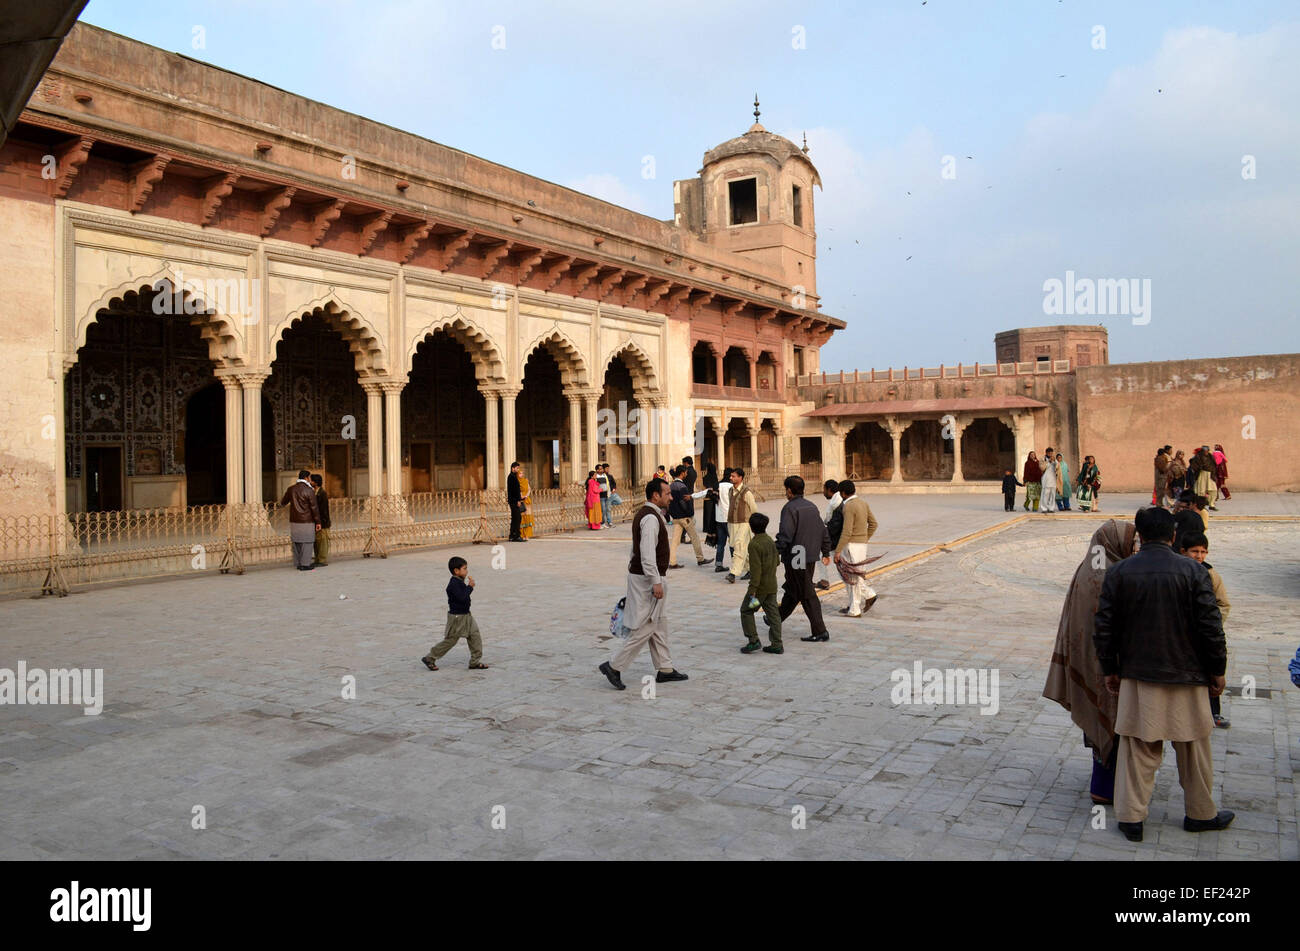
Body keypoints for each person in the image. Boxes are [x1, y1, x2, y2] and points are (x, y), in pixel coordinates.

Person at [1093, 506, 1231, 842]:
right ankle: (1200, 814)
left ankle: (1131, 819)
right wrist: (1218, 671)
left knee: (1138, 750)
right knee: (1194, 749)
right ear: (1173, 536)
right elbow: (1211, 627)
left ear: (1140, 535)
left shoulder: (1120, 572)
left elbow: (1105, 627)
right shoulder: (1194, 571)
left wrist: (1110, 669)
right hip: (1188, 675)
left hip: (1139, 675)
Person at [1043, 519, 1137, 806]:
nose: (1134, 548)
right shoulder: (1116, 577)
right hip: (1111, 666)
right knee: (1119, 726)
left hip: (1087, 660)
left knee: (1098, 724)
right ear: (1115, 544)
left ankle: (1103, 785)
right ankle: (1111, 789)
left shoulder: (1087, 570)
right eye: (1131, 543)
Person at [599, 478, 688, 689]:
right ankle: (614, 665)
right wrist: (655, 581)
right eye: (667, 493)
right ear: (655, 495)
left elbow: (635, 549)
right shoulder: (649, 518)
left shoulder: (650, 515)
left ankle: (665, 668)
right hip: (648, 580)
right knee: (647, 625)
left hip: (643, 576)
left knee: (659, 623)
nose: (671, 496)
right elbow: (646, 553)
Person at [1180, 530, 1231, 728]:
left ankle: (1213, 712)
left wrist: (1212, 623)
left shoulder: (1211, 575)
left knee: (1211, 672)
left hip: (1206, 635)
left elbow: (1223, 604)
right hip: (1183, 635)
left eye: (1203, 552)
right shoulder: (1178, 572)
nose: (1199, 556)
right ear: (1183, 551)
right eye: (1195, 551)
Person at [775, 475, 832, 642]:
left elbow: (786, 534)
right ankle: (775, 619)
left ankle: (820, 631)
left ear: (790, 490)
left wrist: (774, 550)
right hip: (809, 555)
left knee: (806, 593)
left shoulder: (790, 508)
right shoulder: (811, 506)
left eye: (786, 489)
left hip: (796, 556)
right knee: (794, 590)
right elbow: (823, 531)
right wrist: (825, 551)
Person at [421, 556, 489, 671]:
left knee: (475, 636)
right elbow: (462, 597)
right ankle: (430, 657)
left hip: (467, 615)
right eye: (464, 569)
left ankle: (475, 662)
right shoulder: (453, 584)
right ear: (456, 571)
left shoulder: (459, 581)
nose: (467, 571)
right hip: (457, 617)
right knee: (451, 640)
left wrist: (467, 587)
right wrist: (470, 587)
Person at [833, 479, 879, 617]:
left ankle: (855, 609)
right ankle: (861, 601)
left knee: (851, 577)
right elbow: (873, 524)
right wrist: (864, 538)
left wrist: (838, 551)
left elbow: (846, 531)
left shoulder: (848, 506)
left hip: (851, 545)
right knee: (857, 576)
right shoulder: (863, 503)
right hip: (861, 545)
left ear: (843, 493)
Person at [739, 512, 783, 655]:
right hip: (772, 586)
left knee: (746, 610)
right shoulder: (770, 540)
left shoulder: (754, 544)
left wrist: (752, 590)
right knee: (773, 615)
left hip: (759, 590)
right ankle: (777, 644)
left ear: (751, 528)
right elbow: (777, 561)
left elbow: (755, 572)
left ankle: (753, 640)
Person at [667, 466, 709, 567]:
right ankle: (700, 558)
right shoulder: (682, 486)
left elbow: (669, 502)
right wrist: (689, 513)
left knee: (675, 541)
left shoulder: (671, 485)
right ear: (682, 473)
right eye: (685, 472)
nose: (686, 474)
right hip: (685, 517)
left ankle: (672, 562)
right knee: (694, 537)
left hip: (676, 517)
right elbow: (684, 501)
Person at [280, 469, 321, 571]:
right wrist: (318, 522)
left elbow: (283, 502)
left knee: (297, 542)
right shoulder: (309, 490)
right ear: (307, 478)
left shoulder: (291, 489)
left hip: (294, 520)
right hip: (307, 520)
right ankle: (305, 564)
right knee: (307, 542)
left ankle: (298, 563)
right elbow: (314, 508)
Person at [725, 468, 757, 584]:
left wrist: (754, 526)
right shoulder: (730, 491)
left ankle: (733, 573)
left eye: (733, 476)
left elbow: (754, 509)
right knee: (739, 547)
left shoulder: (746, 492)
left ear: (740, 478)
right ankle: (751, 569)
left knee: (738, 546)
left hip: (744, 523)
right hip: (732, 523)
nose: (731, 478)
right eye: (731, 476)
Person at [713, 466, 733, 574]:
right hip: (729, 518)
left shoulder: (718, 486)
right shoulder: (732, 486)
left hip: (719, 519)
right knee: (732, 542)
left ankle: (718, 564)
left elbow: (705, 493)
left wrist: (692, 496)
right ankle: (735, 564)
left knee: (721, 543)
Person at [310, 473, 331, 567]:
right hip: (316, 521)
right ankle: (317, 559)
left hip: (323, 522)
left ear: (316, 482)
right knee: (317, 542)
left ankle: (322, 560)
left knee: (322, 542)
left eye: (312, 481)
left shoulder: (322, 493)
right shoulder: (314, 492)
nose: (310, 482)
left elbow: (323, 510)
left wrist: (322, 522)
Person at [506, 461, 526, 542]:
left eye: (518, 468)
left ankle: (512, 536)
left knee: (515, 518)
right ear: (512, 468)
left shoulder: (514, 476)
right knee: (517, 518)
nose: (518, 469)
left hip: (514, 500)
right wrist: (518, 500)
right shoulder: (511, 477)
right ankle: (517, 536)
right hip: (514, 501)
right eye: (517, 468)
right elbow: (513, 491)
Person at [701, 461, 719, 540]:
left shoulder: (705, 477)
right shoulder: (715, 477)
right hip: (713, 497)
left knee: (707, 513)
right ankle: (711, 527)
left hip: (707, 497)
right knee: (712, 513)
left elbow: (705, 486)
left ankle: (706, 527)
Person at [1039, 447, 1057, 514]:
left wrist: (1054, 461)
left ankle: (1051, 508)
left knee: (1052, 494)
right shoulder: (1042, 459)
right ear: (1046, 453)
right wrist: (1048, 462)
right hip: (1046, 479)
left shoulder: (1054, 459)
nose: (1050, 454)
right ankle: (1044, 508)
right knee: (1045, 494)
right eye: (1049, 453)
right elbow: (1042, 468)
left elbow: (1058, 467)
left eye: (1051, 453)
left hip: (1053, 479)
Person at [518, 467, 535, 539]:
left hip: (526, 500)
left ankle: (527, 535)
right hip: (520, 500)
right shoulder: (517, 482)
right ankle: (522, 534)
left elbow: (529, 489)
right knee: (522, 518)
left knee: (528, 517)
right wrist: (520, 495)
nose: (521, 474)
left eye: (522, 473)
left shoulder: (525, 481)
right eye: (520, 473)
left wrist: (526, 495)